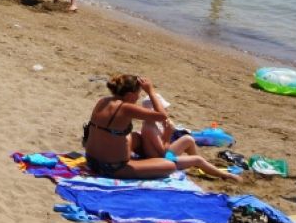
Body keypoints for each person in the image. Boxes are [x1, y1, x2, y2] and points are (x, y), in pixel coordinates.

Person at [84, 75, 235, 180]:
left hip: (92, 160)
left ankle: (197, 164)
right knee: (169, 165)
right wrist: (151, 91)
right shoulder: (125, 108)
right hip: (111, 168)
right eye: (138, 94)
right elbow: (162, 116)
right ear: (130, 95)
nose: (137, 98)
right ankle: (215, 171)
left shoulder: (103, 101)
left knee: (135, 137)